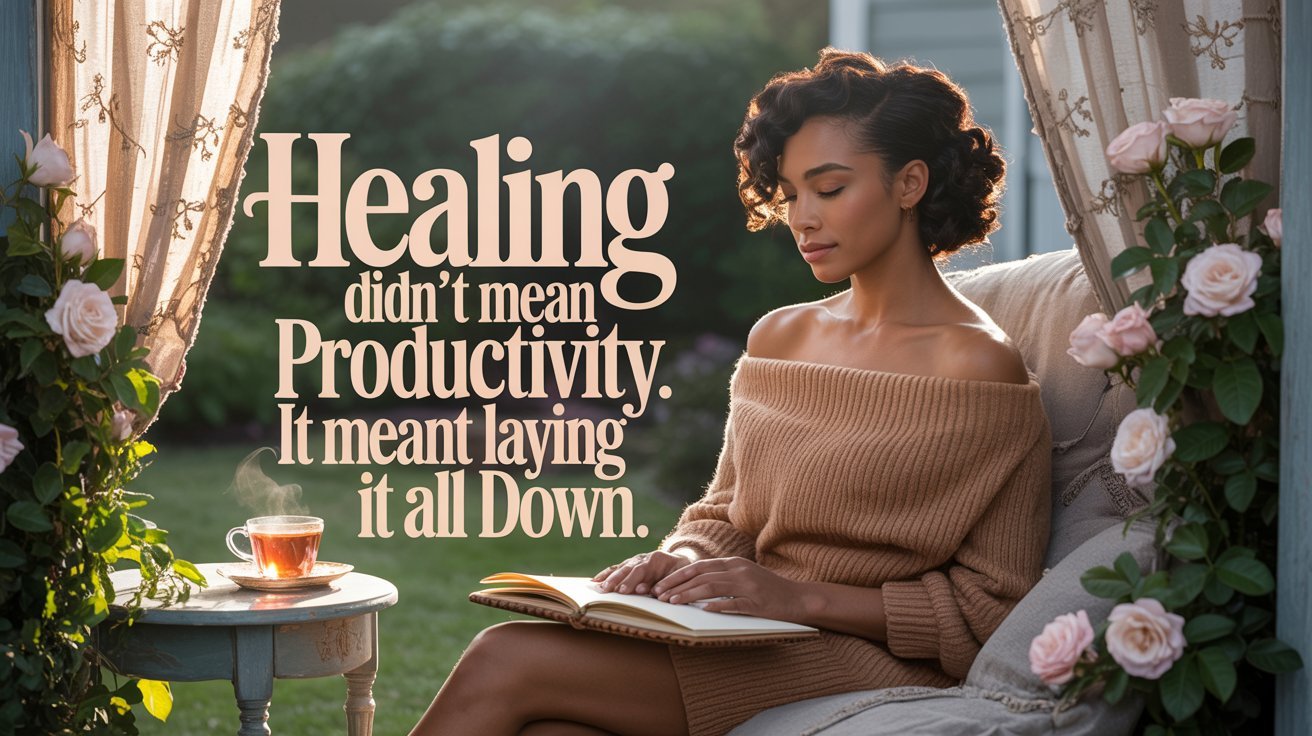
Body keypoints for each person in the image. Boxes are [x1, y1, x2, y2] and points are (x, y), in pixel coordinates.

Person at [409, 47, 1052, 736]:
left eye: (829, 189)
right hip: (738, 630)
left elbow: (988, 605)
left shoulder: (976, 365)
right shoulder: (781, 338)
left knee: (506, 657)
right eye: (790, 191)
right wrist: (679, 561)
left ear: (910, 183)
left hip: (861, 654)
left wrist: (800, 598)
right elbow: (725, 514)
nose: (802, 217)